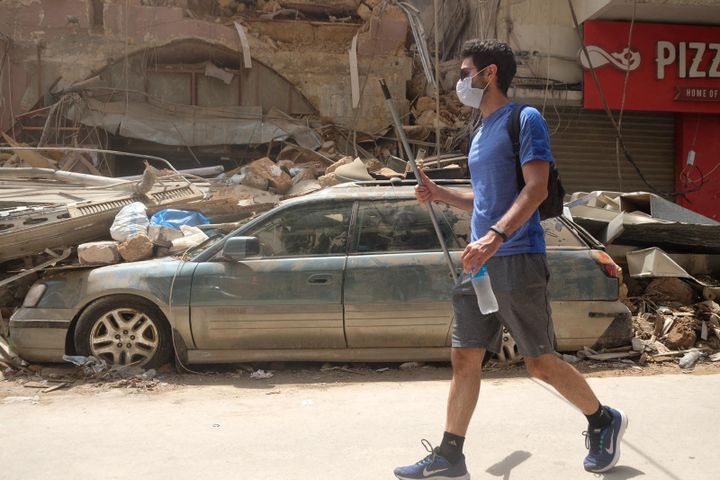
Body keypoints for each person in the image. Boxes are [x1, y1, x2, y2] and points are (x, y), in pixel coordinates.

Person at [393, 39, 628, 480]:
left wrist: (496, 237)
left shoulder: (525, 119)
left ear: (489, 74)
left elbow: (535, 189)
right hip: (478, 262)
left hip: (515, 256)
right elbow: (485, 199)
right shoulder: (480, 133)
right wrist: (440, 194)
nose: (460, 81)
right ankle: (450, 454)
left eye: (465, 72)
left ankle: (602, 419)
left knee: (538, 361)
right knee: (465, 359)